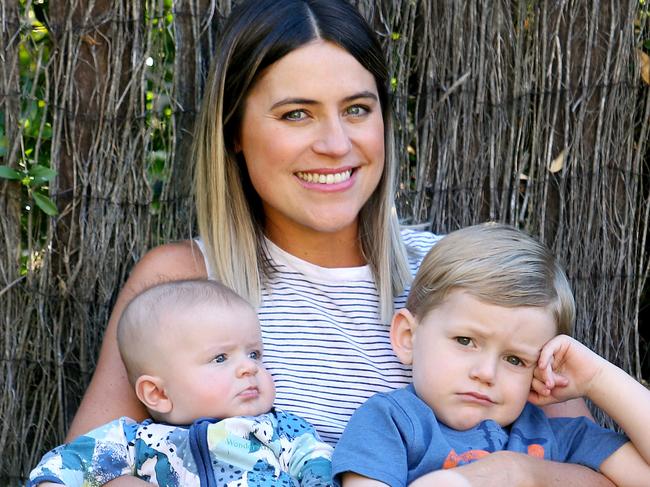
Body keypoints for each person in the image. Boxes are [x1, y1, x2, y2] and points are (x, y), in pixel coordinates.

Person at [66, 0, 615, 485]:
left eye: (357, 109)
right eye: (296, 114)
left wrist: (516, 475)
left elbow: (603, 472)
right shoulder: (183, 282)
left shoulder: (464, 278)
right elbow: (80, 472)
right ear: (234, 131)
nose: (335, 144)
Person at [332, 223, 650, 487]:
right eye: (466, 340)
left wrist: (598, 379)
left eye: (515, 360)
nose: (486, 373)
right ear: (408, 338)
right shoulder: (391, 424)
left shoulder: (557, 437)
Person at [29, 280, 333, 487]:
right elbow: (67, 462)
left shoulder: (283, 432)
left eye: (254, 353)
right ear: (158, 393)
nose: (249, 367)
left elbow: (318, 465)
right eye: (220, 358)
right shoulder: (134, 441)